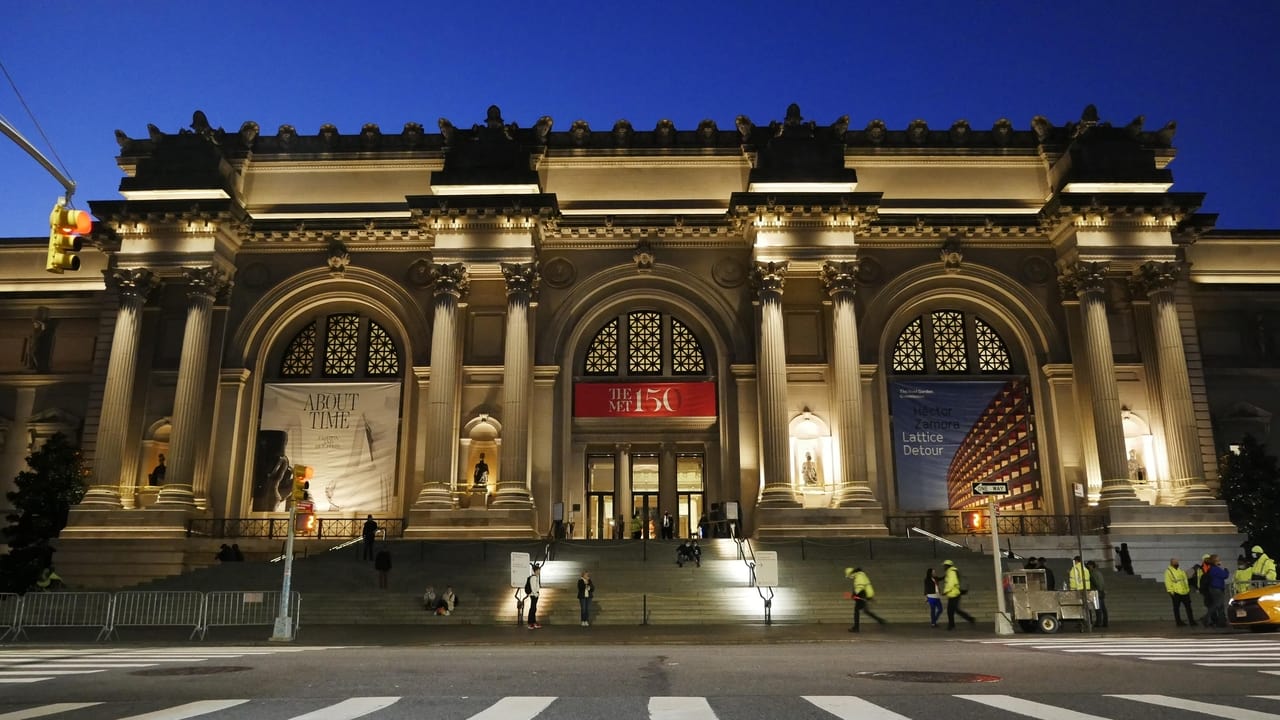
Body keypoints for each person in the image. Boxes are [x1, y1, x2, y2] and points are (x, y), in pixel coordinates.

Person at [845, 567, 885, 632]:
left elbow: (860, 587)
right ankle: (880, 620)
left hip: (863, 595)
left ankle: (856, 628)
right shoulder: (860, 574)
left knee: (856, 610)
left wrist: (854, 595)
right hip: (865, 594)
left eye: (849, 576)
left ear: (851, 574)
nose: (849, 578)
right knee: (865, 611)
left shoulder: (859, 576)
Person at [941, 559, 975, 630]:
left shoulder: (951, 572)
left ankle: (952, 625)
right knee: (955, 610)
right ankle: (969, 619)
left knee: (951, 610)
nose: (943, 567)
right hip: (953, 594)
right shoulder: (951, 571)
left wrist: (945, 591)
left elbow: (951, 583)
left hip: (954, 594)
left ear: (947, 566)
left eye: (944, 566)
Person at [1165, 558, 1196, 627]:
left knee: (1188, 608)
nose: (1176, 563)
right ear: (1171, 563)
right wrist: (1171, 591)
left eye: (1177, 562)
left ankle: (1192, 621)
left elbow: (1185, 580)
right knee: (1176, 608)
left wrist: (1187, 590)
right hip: (1176, 592)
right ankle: (1178, 622)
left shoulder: (1180, 571)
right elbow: (1168, 582)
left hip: (1185, 592)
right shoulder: (1169, 571)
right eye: (1175, 562)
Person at [1205, 554, 1230, 628]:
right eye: (1218, 560)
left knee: (1220, 606)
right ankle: (1206, 617)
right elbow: (1225, 575)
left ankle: (1222, 622)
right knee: (1217, 604)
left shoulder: (1213, 568)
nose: (1220, 561)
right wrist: (1225, 568)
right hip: (1217, 589)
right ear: (1215, 561)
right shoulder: (1215, 569)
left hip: (1216, 588)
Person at [1086, 560, 1108, 628]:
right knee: (1103, 608)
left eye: (1088, 565)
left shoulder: (1092, 573)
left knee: (1098, 608)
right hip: (1101, 591)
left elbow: (1096, 583)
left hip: (1097, 591)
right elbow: (1102, 582)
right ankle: (1105, 622)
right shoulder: (1098, 573)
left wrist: (1098, 589)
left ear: (1091, 565)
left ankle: (1099, 622)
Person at [525, 564, 542, 629]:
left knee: (534, 608)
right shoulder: (533, 578)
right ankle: (530, 623)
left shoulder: (535, 577)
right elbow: (533, 588)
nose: (539, 571)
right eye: (538, 570)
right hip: (533, 595)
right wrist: (536, 594)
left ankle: (533, 622)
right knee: (532, 608)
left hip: (535, 595)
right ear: (536, 570)